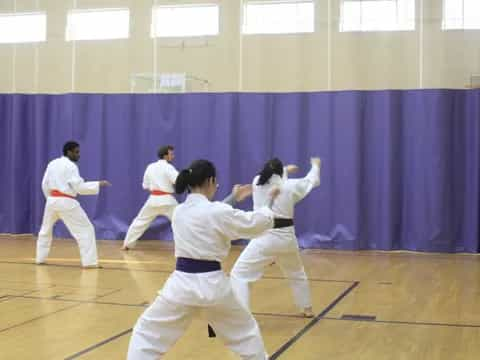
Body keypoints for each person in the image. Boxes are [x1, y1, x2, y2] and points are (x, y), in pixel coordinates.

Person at [127, 159, 285, 360]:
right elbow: (255, 223)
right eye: (215, 183)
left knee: (146, 333)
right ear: (210, 180)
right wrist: (268, 203)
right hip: (214, 287)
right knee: (245, 334)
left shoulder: (179, 212)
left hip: (180, 286)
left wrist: (233, 197)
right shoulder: (216, 211)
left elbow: (209, 214)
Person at [231, 157, 321, 318]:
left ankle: (241, 314)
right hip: (287, 239)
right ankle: (307, 308)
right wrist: (315, 166)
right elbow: (311, 181)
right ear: (281, 173)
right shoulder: (290, 186)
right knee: (296, 273)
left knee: (239, 274)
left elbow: (273, 177)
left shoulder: (257, 182)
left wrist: (285, 169)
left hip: (264, 238)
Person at [36, 141, 111, 268]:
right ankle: (90, 263)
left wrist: (50, 199)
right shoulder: (71, 166)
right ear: (68, 152)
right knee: (86, 229)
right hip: (66, 202)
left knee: (45, 230)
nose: (78, 155)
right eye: (76, 152)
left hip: (52, 201)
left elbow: (44, 184)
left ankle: (40, 258)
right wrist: (98, 184)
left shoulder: (52, 163)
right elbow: (79, 188)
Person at [122, 145, 178, 250]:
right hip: (167, 201)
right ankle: (185, 246)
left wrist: (156, 188)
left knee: (139, 222)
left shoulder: (150, 167)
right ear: (165, 155)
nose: (173, 156)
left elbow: (145, 185)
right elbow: (178, 180)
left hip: (153, 200)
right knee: (181, 221)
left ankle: (127, 244)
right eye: (171, 154)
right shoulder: (168, 167)